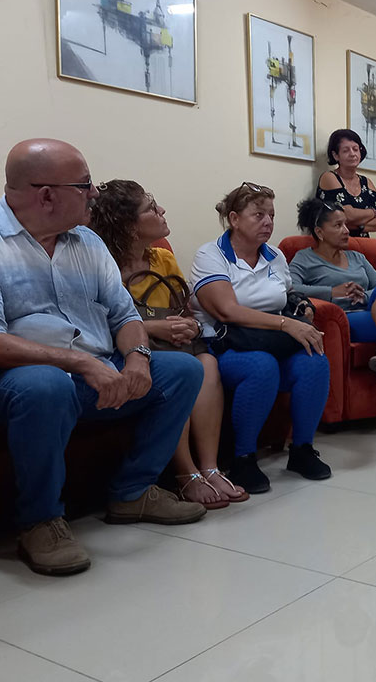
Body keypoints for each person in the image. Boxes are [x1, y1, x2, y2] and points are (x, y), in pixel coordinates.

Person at [0, 139, 206, 576]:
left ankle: (132, 492)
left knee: (183, 371)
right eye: (85, 185)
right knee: (47, 383)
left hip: (99, 370)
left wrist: (136, 357)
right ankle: (39, 520)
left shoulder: (88, 242)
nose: (95, 194)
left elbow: (124, 314)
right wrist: (79, 362)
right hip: (14, 380)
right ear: (46, 195)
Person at [89, 180, 247, 508]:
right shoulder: (102, 265)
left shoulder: (162, 258)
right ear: (129, 226)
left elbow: (184, 309)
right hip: (135, 349)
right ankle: (185, 473)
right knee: (180, 369)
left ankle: (210, 466)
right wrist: (155, 327)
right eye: (151, 208)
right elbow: (97, 326)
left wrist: (187, 325)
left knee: (207, 363)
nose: (161, 212)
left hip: (178, 344)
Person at [191, 182, 332, 490]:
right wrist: (285, 325)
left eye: (271, 214)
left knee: (315, 360)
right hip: (225, 345)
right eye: (258, 215)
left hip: (267, 342)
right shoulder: (211, 255)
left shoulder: (275, 256)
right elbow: (226, 310)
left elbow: (288, 294)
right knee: (261, 366)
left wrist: (301, 306)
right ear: (234, 219)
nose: (268, 222)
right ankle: (243, 459)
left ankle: (302, 450)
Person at [289, 198, 376, 440]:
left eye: (346, 224)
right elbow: (289, 289)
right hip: (342, 320)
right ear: (320, 232)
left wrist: (363, 295)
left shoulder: (357, 257)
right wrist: (331, 293)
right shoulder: (304, 258)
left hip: (370, 313)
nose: (346, 230)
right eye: (338, 225)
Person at [316, 129, 376, 238]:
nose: (352, 154)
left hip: (363, 244)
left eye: (355, 149)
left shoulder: (366, 182)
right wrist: (372, 212)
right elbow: (347, 215)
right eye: (346, 150)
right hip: (335, 245)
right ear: (336, 155)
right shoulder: (329, 177)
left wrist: (359, 227)